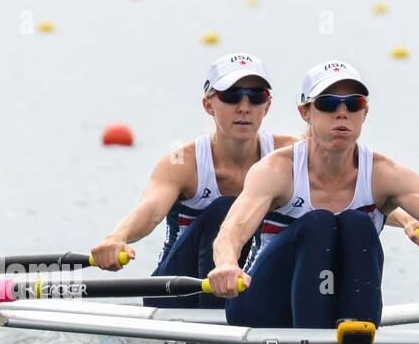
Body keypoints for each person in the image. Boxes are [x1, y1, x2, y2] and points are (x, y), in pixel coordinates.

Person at [204, 60, 419, 330]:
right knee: (318, 223)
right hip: (261, 310)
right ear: (306, 113)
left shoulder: (385, 174)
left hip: (337, 317)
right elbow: (232, 231)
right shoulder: (276, 170)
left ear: (365, 112)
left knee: (355, 224)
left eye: (353, 104)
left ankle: (355, 336)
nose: (342, 113)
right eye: (329, 104)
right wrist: (226, 266)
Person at [89, 53, 297, 308]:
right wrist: (116, 238)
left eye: (256, 97)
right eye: (231, 96)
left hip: (249, 287)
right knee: (225, 208)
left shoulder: (291, 155)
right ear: (209, 105)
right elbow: (151, 209)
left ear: (267, 106)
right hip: (175, 292)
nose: (244, 107)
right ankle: (217, 329)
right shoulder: (183, 162)